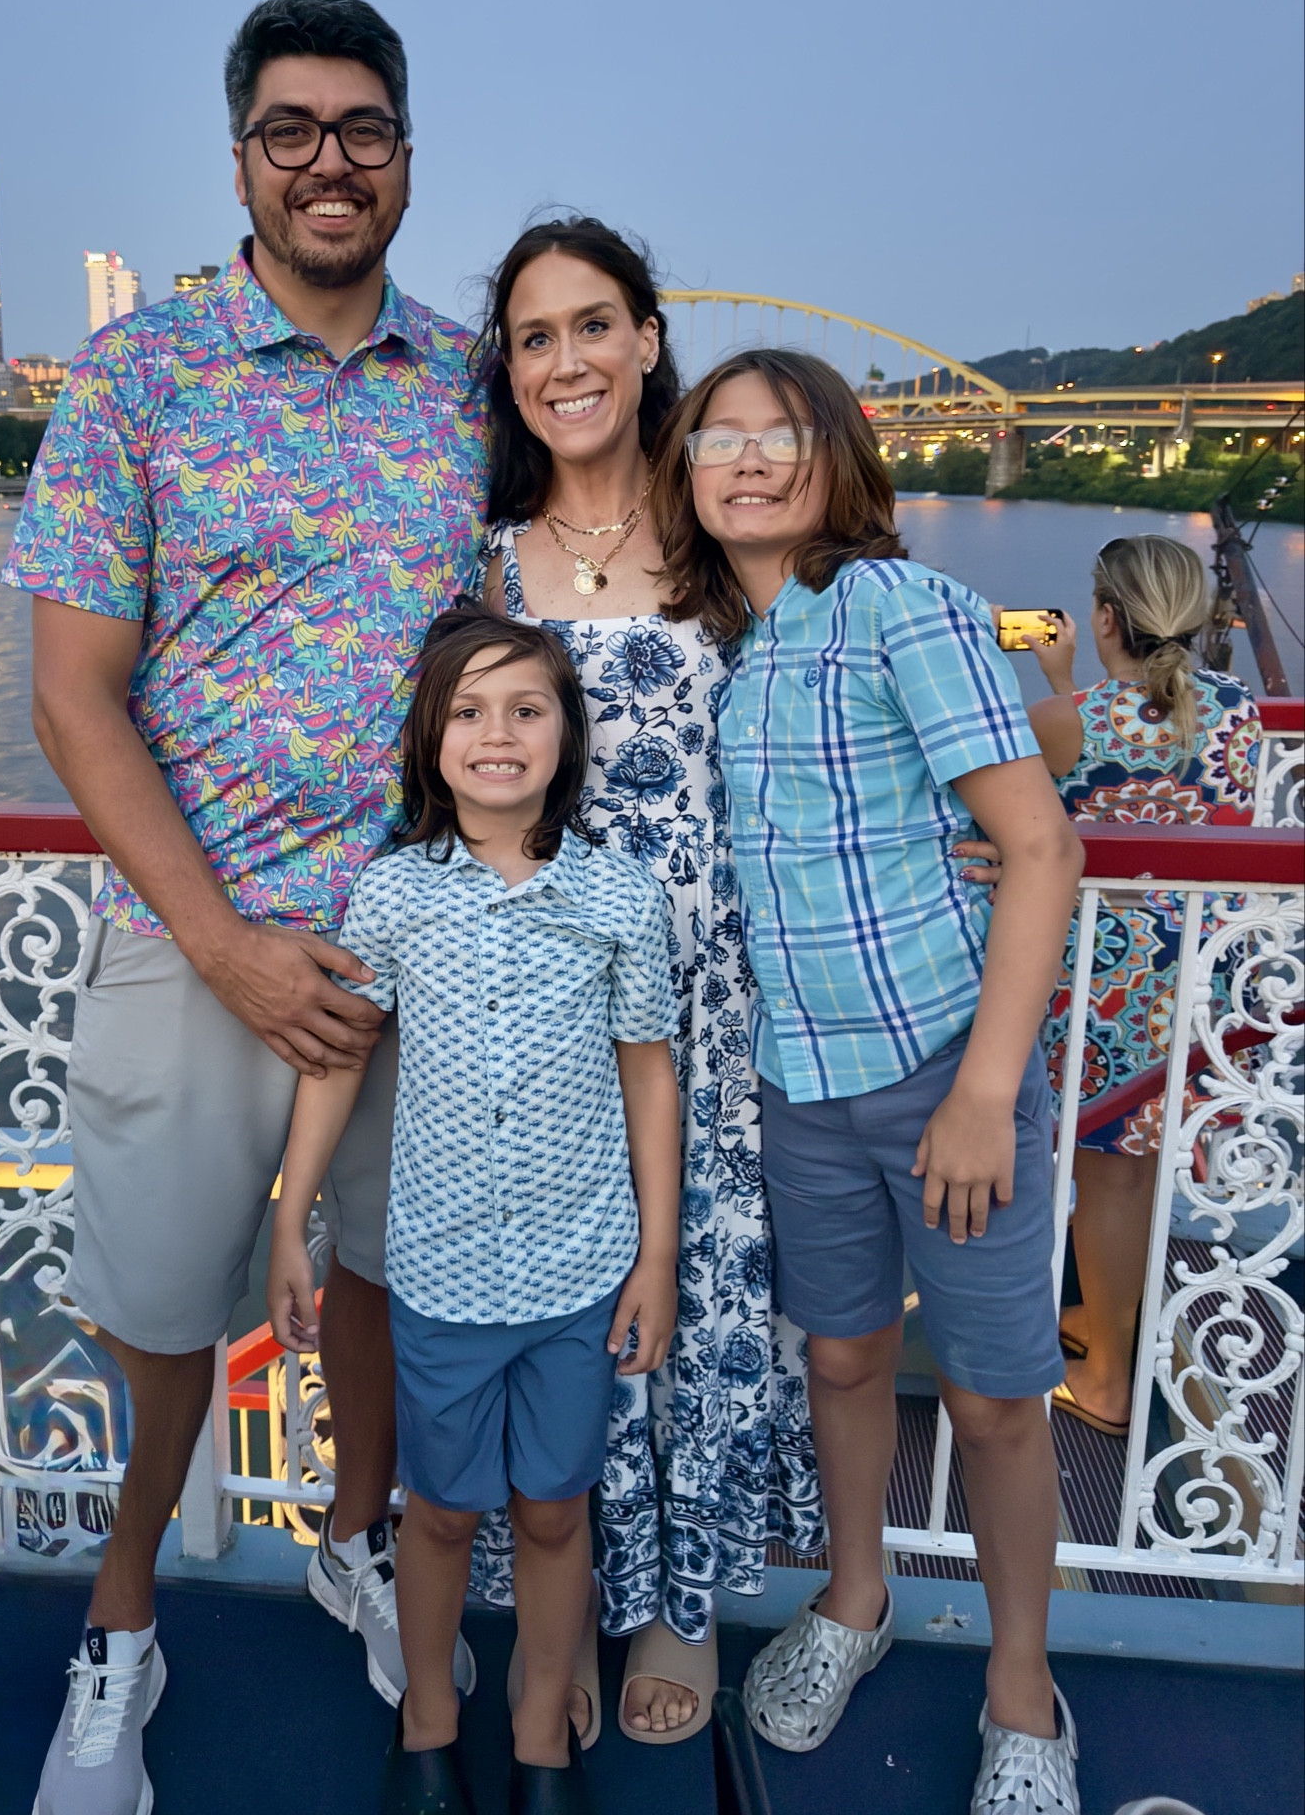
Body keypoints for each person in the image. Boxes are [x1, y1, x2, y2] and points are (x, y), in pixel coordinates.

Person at [4, 0, 488, 1815]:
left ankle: (350, 1537)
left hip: (423, 948)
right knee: (162, 1307)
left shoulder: (465, 382)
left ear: (407, 157)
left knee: (377, 1288)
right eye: (290, 129)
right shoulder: (139, 376)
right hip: (204, 939)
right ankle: (119, 1626)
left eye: (361, 128)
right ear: (239, 158)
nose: (328, 161)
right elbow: (71, 691)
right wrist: (221, 941)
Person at [661, 348, 1088, 1815]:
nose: (749, 458)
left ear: (839, 457)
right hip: (797, 1083)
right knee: (838, 1359)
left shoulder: (899, 605)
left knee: (989, 1399)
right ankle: (857, 1595)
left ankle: (1023, 1685)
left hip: (934, 1071)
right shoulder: (721, 646)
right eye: (716, 437)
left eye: (782, 433)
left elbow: (1037, 846)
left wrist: (983, 1091)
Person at [476, 218, 820, 1745]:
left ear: (646, 341)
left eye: (595, 325)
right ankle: (574, 1588)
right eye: (537, 335)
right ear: (511, 365)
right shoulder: (480, 557)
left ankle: (682, 1601)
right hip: (541, 1002)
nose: (569, 360)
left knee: (696, 1286)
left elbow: (844, 717)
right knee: (562, 1294)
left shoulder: (730, 544)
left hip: (711, 992)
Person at [268, 604, 681, 1815]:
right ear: (429, 739)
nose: (497, 734)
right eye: (468, 711)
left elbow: (648, 1071)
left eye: (527, 707)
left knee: (556, 1508)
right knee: (440, 1512)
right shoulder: (392, 895)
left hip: (580, 1266)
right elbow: (339, 1059)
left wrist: (654, 1254)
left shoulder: (619, 896)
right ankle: (429, 1722)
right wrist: (295, 1218)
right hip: (442, 1269)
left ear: (566, 733)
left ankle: (542, 1737)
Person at [1019, 536, 1261, 1436]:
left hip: (1108, 982)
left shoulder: (1071, 716)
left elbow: (1030, 799)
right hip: (1201, 976)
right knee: (1142, 1169)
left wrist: (1059, 681)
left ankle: (1110, 1383)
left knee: (1103, 1177)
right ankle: (1106, 1331)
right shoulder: (1237, 709)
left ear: (1107, 617)